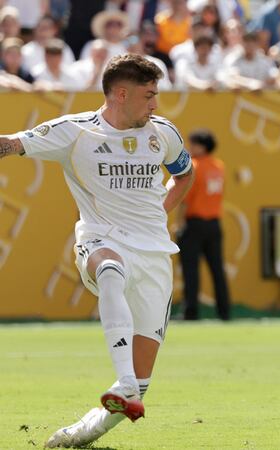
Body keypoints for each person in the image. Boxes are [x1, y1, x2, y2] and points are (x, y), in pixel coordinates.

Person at [0, 54, 194, 448]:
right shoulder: (75, 131)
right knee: (109, 269)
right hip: (100, 239)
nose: (155, 104)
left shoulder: (163, 132)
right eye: (149, 95)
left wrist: (160, 210)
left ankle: (80, 433)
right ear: (122, 93)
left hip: (154, 254)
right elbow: (11, 144)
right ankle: (123, 380)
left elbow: (185, 173)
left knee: (140, 386)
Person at [177, 129, 231, 321]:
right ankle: (224, 311)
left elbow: (184, 199)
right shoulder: (219, 166)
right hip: (214, 223)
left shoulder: (194, 166)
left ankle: (191, 312)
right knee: (217, 269)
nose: (189, 148)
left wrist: (179, 223)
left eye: (193, 144)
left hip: (195, 223)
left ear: (202, 146)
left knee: (191, 270)